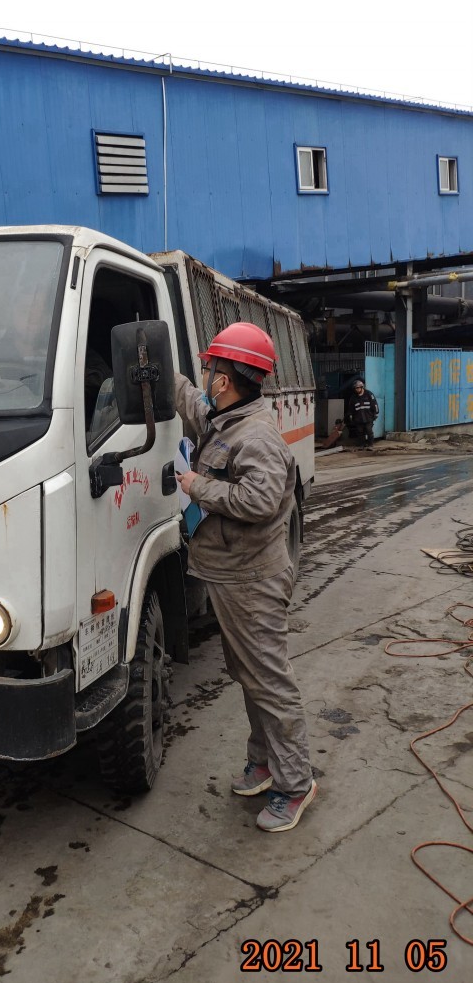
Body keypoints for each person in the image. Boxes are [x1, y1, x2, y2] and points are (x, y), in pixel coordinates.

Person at [174, 321, 316, 832]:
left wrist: (197, 486)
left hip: (253, 580)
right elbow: (192, 404)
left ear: (225, 379)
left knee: (269, 682)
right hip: (231, 574)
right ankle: (263, 762)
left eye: (210, 368)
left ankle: (295, 784)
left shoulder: (255, 436)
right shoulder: (226, 417)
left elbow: (258, 500)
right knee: (249, 674)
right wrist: (157, 366)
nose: (205, 376)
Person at [345, 378, 379, 449]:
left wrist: (376, 413)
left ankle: (370, 445)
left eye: (357, 388)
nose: (356, 390)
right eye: (355, 388)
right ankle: (361, 445)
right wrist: (350, 415)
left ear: (361, 387)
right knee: (360, 432)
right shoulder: (353, 397)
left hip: (368, 417)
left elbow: (374, 404)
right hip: (358, 418)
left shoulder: (369, 394)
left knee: (369, 431)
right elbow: (351, 407)